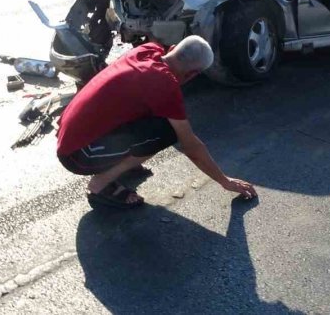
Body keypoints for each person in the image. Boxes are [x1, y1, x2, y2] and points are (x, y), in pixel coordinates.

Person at [56, 36, 257, 209]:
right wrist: (225, 181)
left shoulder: (148, 50)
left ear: (174, 49)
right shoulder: (164, 83)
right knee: (166, 131)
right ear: (192, 74)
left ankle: (120, 163)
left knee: (155, 119)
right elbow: (190, 145)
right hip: (78, 155)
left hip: (70, 137)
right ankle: (100, 185)